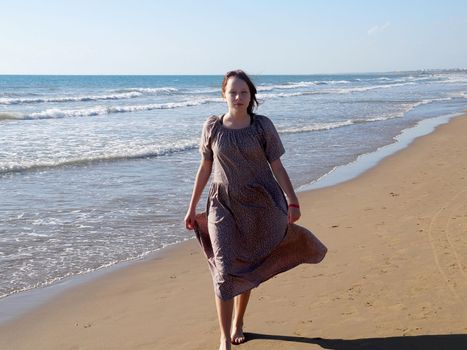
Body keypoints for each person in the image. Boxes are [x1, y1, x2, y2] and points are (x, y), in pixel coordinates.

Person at [184, 69, 327, 350]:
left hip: (259, 205)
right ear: (223, 94)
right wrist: (191, 208)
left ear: (251, 96)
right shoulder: (212, 127)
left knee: (247, 263)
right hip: (222, 206)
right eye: (233, 92)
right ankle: (224, 338)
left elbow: (277, 165)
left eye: (244, 92)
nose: (238, 97)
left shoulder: (262, 127)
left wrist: (292, 200)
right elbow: (205, 168)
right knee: (224, 271)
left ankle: (239, 322)